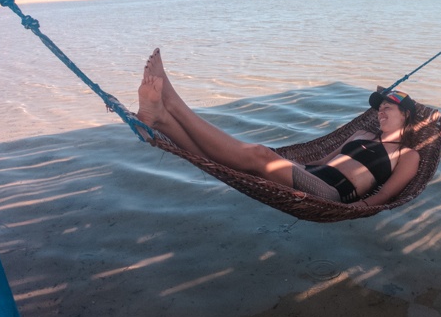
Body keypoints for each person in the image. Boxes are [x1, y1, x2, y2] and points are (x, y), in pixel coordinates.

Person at [136, 49, 422, 206]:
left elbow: (386, 194)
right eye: (379, 107)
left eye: (388, 107)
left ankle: (173, 105)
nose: (380, 111)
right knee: (237, 165)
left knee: (259, 155)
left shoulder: (408, 154)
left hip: (331, 195)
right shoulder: (362, 133)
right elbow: (320, 160)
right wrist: (287, 160)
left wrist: (361, 209)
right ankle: (162, 121)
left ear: (406, 116)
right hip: (308, 174)